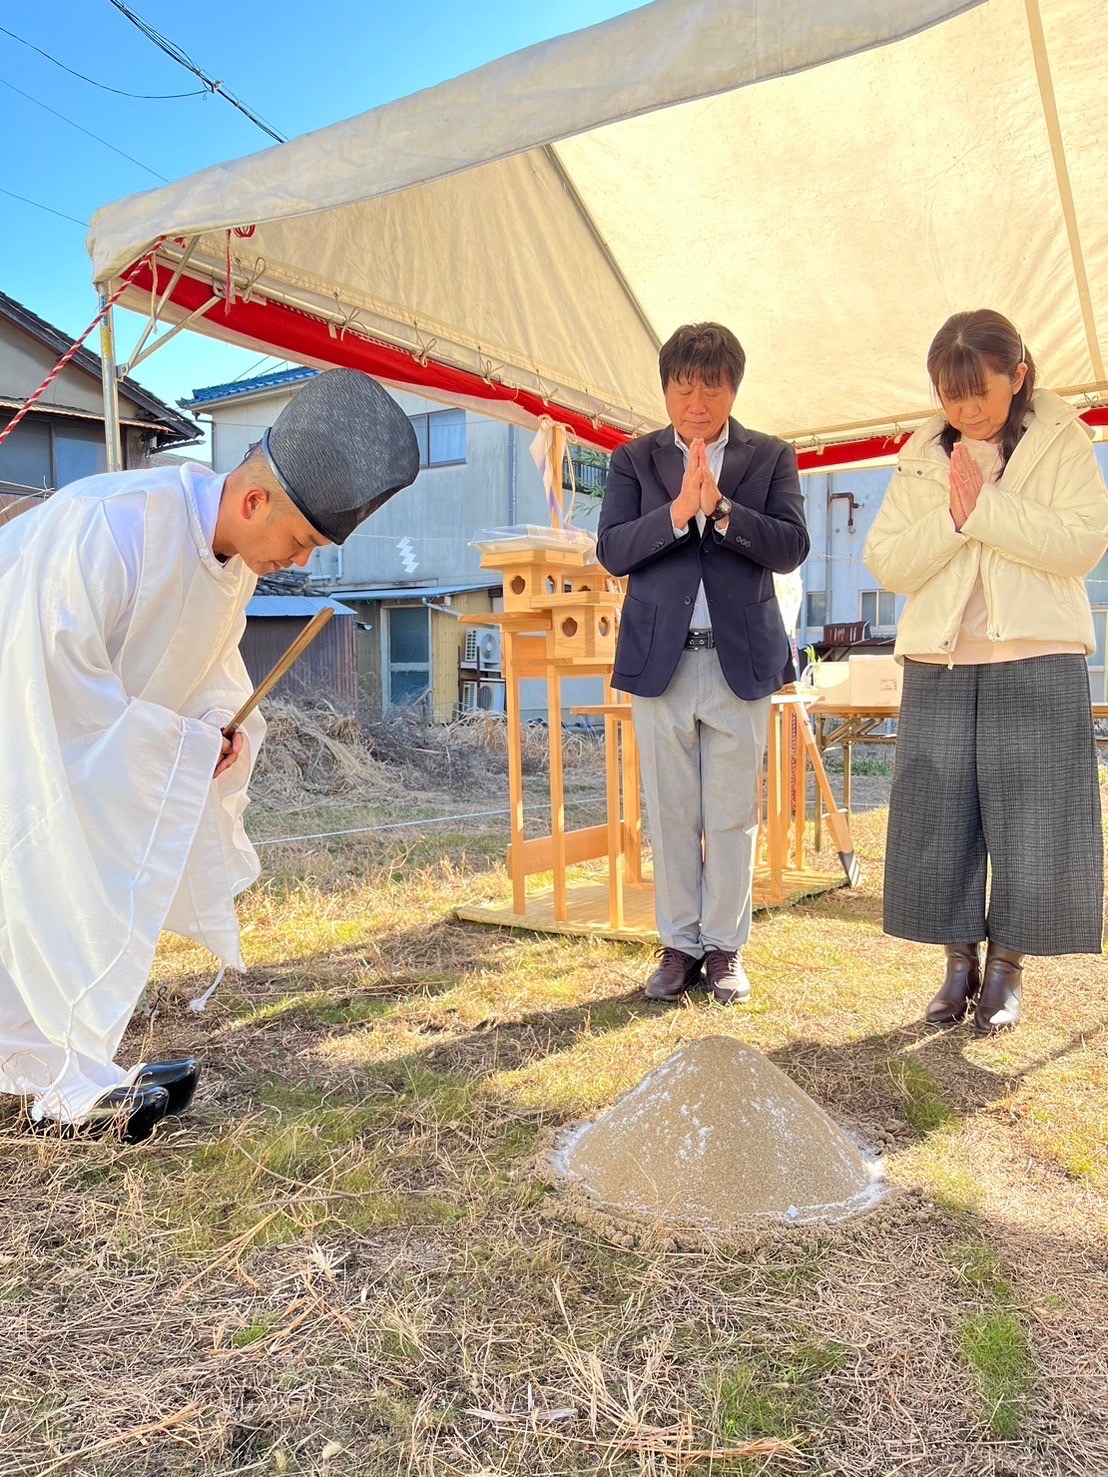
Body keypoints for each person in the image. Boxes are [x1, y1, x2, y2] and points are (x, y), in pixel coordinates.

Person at [0, 368, 419, 1140]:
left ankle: (70, 1065)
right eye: (298, 540)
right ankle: (56, 1075)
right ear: (254, 500)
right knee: (34, 869)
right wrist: (172, 742)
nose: (298, 560)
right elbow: (47, 682)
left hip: (91, 743)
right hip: (20, 723)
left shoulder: (232, 561)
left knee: (79, 873)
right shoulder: (116, 524)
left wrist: (217, 729)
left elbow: (205, 675)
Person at [864, 310, 1108, 1034]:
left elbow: (1081, 544)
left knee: (1034, 822)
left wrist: (986, 508)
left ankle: (1006, 970)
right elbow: (888, 559)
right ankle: (957, 964)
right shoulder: (920, 454)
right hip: (941, 657)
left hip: (1037, 652)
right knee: (939, 818)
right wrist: (953, 513)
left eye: (981, 391)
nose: (966, 408)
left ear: (1019, 377)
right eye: (951, 393)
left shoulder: (1063, 439)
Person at [597, 322, 809, 1004]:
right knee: (669, 812)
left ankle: (724, 948)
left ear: (732, 389)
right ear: (665, 389)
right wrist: (678, 509)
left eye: (711, 384)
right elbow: (613, 549)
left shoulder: (771, 456)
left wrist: (719, 509)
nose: (696, 398)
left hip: (738, 660)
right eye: (683, 384)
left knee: (731, 813)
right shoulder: (632, 460)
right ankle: (678, 945)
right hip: (661, 660)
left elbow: (791, 545)